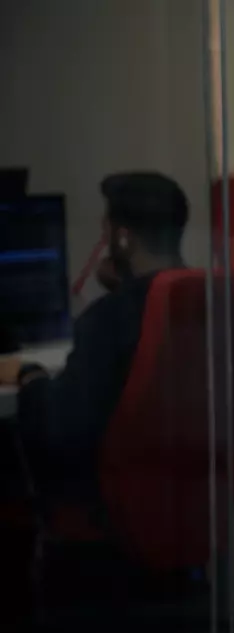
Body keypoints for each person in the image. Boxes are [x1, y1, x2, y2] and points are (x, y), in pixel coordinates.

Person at [0, 171, 188, 497]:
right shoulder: (202, 300)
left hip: (113, 496)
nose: (103, 239)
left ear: (123, 239)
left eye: (106, 230)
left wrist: (29, 374)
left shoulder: (109, 317)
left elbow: (58, 429)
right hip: (184, 487)